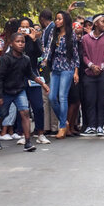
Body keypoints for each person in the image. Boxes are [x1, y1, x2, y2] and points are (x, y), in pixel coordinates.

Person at [0, 33, 49, 151]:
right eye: (18, 41)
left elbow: (30, 74)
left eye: (22, 42)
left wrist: (42, 84)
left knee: (25, 113)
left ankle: (27, 142)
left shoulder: (26, 59)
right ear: (12, 44)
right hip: (6, 92)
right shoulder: (6, 59)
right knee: (1, 115)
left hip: (19, 91)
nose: (21, 44)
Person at [42, 11, 79, 139]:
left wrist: (76, 71)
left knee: (62, 96)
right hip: (55, 67)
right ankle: (65, 122)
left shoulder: (71, 35)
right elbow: (47, 49)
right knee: (52, 97)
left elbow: (75, 54)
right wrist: (45, 59)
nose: (57, 21)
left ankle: (62, 127)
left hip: (67, 68)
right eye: (56, 19)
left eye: (59, 19)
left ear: (65, 21)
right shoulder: (54, 33)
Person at [81, 13, 104, 136]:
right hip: (89, 73)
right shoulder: (85, 38)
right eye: (103, 21)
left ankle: (100, 126)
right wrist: (91, 65)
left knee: (102, 100)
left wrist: (101, 67)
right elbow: (84, 55)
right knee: (90, 100)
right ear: (95, 23)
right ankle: (91, 125)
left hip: (103, 73)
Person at [19, 17, 50, 144]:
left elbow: (39, 54)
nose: (24, 29)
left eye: (27, 26)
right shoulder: (17, 40)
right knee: (22, 107)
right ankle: (22, 134)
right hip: (19, 77)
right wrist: (18, 36)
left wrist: (33, 38)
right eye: (22, 26)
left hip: (33, 75)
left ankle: (40, 133)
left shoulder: (34, 39)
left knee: (38, 105)